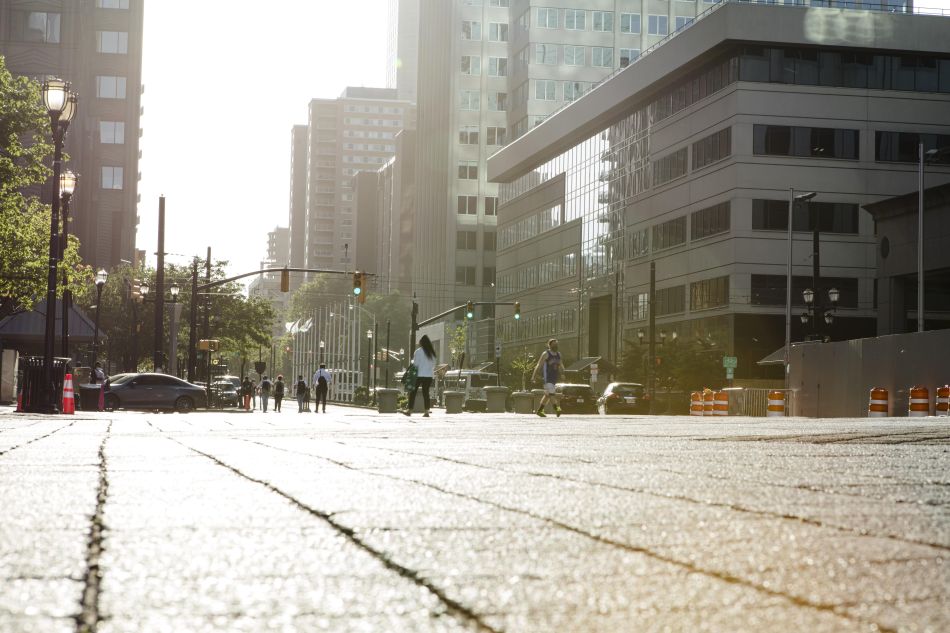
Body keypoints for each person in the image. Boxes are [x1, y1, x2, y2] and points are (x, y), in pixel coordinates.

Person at [402, 335, 436, 418]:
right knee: (426, 393)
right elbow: (434, 364)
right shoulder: (432, 352)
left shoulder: (418, 351)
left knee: (413, 392)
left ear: (422, 343)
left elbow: (416, 364)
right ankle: (426, 411)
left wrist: (413, 362)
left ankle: (410, 410)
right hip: (429, 375)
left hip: (419, 375)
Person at [532, 338, 563, 418]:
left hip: (554, 378)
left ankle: (539, 411)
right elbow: (539, 365)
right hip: (547, 378)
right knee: (551, 394)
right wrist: (533, 376)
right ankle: (557, 409)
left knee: (547, 395)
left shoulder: (559, 354)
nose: (555, 346)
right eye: (553, 344)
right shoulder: (546, 354)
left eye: (556, 344)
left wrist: (563, 373)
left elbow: (561, 365)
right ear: (549, 345)